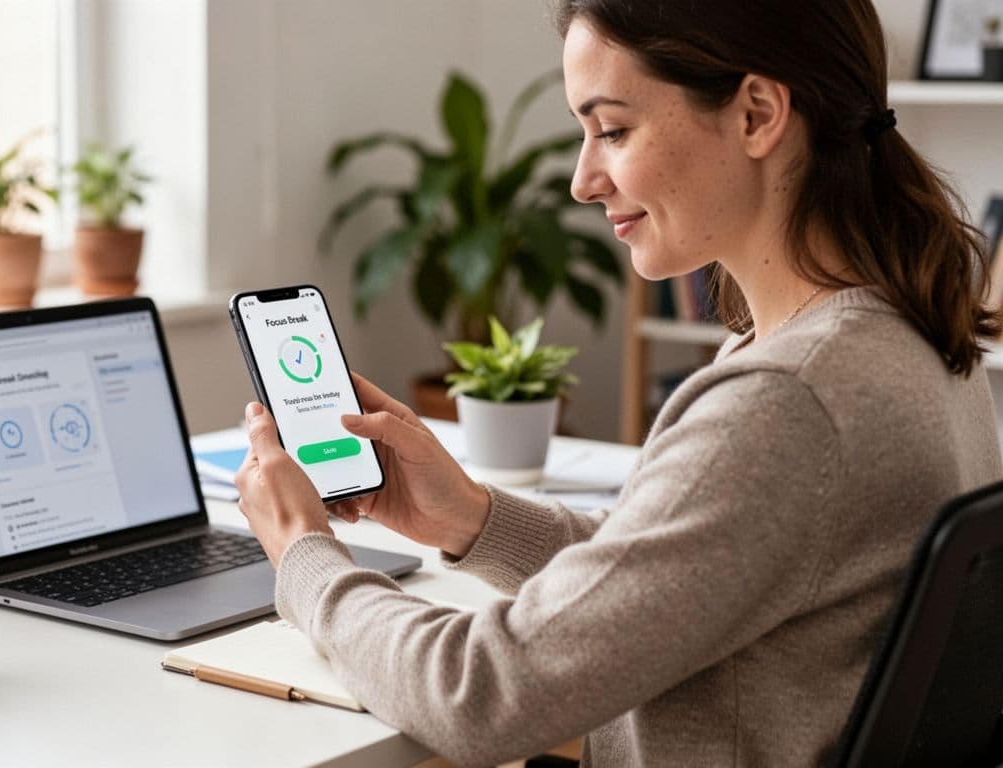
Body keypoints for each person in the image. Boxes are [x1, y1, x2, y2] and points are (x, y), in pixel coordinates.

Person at [234, 0, 1003, 765]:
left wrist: (307, 557)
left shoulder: (790, 399)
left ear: (758, 113)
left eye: (613, 130)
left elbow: (481, 696)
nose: (582, 180)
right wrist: (471, 517)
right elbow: (690, 579)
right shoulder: (907, 326)